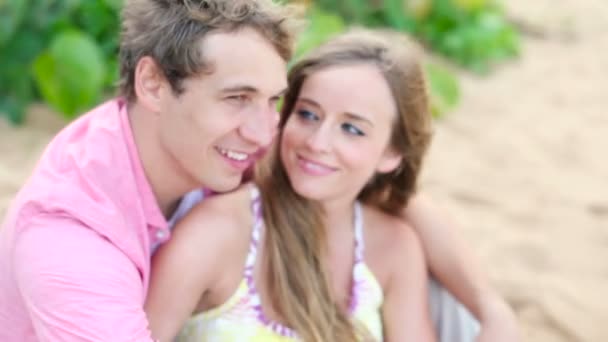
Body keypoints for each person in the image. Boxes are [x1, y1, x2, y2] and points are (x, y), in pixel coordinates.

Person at [0, 0, 518, 341]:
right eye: (237, 98)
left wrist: (491, 307)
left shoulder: (214, 139)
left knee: (454, 308)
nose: (265, 132)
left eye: (273, 101)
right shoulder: (71, 249)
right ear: (153, 84)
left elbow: (395, 199)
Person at [145, 29, 437, 341]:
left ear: (392, 153)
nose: (317, 142)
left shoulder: (394, 249)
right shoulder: (214, 235)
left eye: (351, 128)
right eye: (308, 114)